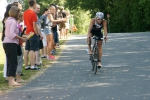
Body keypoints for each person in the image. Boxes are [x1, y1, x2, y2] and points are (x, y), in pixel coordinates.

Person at [3, 6, 27, 86]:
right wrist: (21, 38)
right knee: (13, 62)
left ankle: (10, 79)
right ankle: (11, 81)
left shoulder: (8, 20)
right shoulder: (13, 22)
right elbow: (12, 34)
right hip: (11, 43)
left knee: (10, 62)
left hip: (7, 43)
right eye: (18, 12)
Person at [23, 0, 41, 70]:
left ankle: (26, 65)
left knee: (27, 49)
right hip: (33, 33)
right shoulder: (33, 13)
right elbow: (34, 25)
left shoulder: (25, 12)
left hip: (27, 32)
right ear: (34, 4)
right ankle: (32, 65)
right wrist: (37, 33)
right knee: (33, 49)